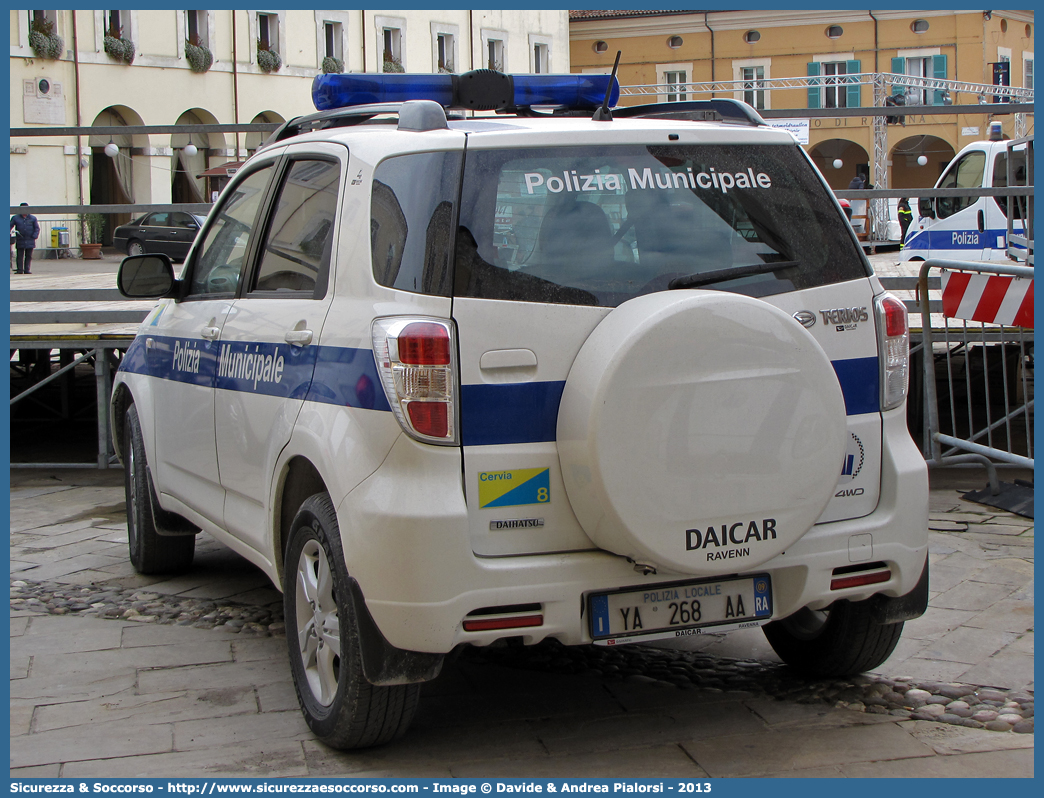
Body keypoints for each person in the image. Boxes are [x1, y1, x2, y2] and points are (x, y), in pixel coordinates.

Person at [10, 202, 40, 274]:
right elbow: (9, 226)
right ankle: (20, 269)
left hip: (30, 239)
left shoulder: (33, 218)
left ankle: (27, 269)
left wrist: (34, 236)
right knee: (20, 255)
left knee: (28, 256)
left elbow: (37, 228)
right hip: (20, 239)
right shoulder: (15, 218)